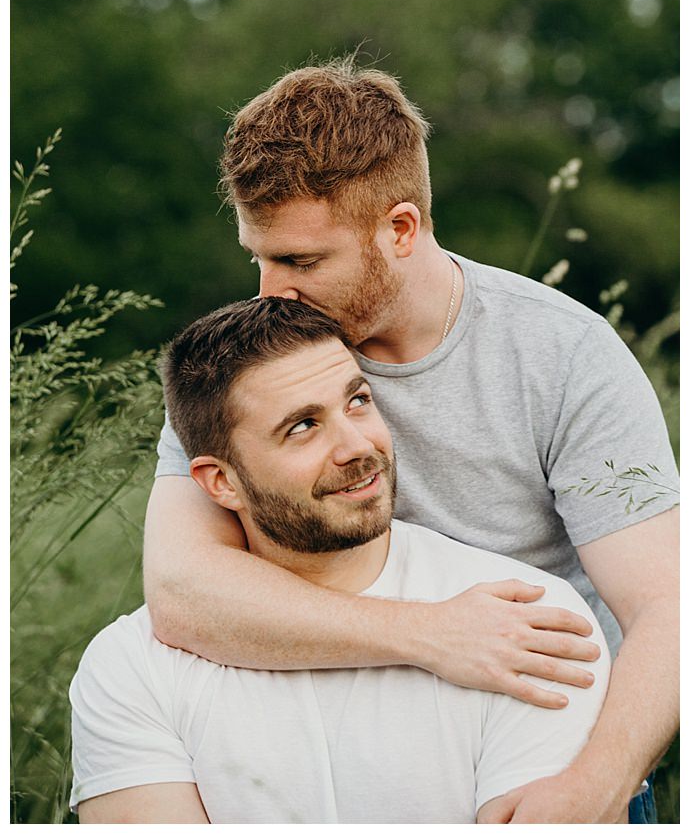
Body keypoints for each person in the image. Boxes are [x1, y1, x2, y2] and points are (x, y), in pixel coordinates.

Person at [144, 59, 679, 823]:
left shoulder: (565, 354)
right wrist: (432, 634)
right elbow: (182, 595)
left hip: (538, 765)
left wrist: (595, 786)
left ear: (400, 228)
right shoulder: (245, 367)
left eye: (300, 260)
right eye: (257, 257)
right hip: (338, 773)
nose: (269, 292)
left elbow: (668, 607)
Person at [71, 298, 615, 823]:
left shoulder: (527, 622)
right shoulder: (130, 667)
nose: (357, 444)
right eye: (302, 426)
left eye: (357, 401)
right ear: (222, 482)